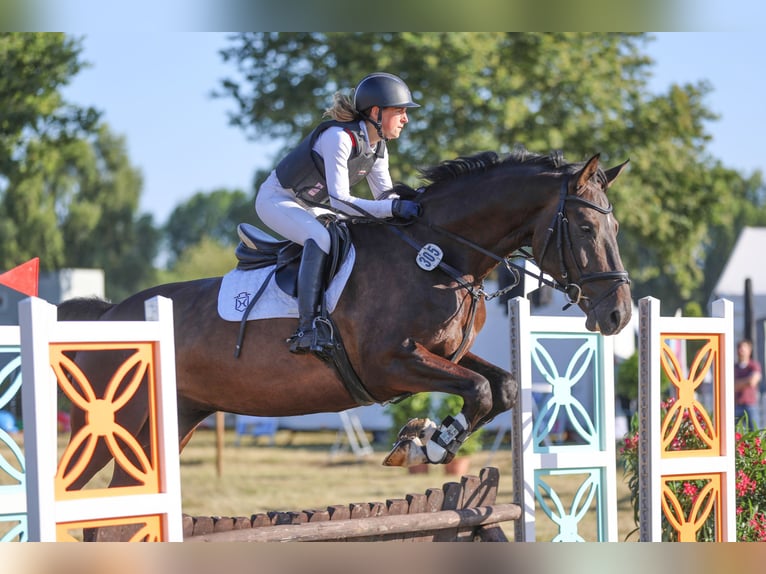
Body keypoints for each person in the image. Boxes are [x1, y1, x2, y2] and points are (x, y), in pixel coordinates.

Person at [255, 72, 423, 353]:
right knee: (321, 239)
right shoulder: (339, 137)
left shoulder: (378, 147)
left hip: (314, 205)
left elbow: (385, 197)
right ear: (376, 112)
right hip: (278, 199)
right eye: (400, 111)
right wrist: (392, 207)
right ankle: (307, 329)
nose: (406, 119)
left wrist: (414, 206)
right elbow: (342, 201)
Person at [734, 338, 762, 430]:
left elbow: (752, 382)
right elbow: (732, 386)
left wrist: (738, 383)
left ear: (749, 351)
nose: (741, 351)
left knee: (755, 434)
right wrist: (746, 381)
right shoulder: (734, 367)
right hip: (737, 405)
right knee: (732, 433)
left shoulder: (754, 365)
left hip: (750, 406)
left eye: (743, 349)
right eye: (739, 348)